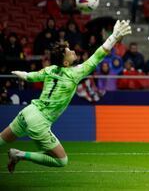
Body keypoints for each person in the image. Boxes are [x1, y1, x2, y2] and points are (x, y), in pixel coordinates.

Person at [0, 20, 132, 173]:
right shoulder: (74, 74)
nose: (73, 52)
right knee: (61, 160)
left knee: (2, 138)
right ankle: (20, 155)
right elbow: (98, 55)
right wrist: (114, 37)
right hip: (39, 121)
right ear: (65, 62)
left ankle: (18, 154)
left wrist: (20, 74)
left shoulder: (50, 70)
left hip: (28, 111)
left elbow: (30, 77)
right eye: (70, 52)